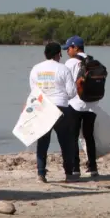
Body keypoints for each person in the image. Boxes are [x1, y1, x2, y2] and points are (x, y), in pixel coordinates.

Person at [29, 42, 78, 183]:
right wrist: (62, 98)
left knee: (43, 142)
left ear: (45, 54)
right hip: (61, 107)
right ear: (58, 54)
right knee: (66, 142)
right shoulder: (63, 69)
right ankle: (68, 173)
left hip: (43, 106)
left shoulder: (35, 69)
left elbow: (34, 91)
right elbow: (72, 92)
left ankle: (41, 173)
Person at [63, 35, 100, 178]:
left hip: (75, 104)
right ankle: (93, 168)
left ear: (76, 48)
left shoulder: (70, 63)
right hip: (92, 104)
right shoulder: (93, 60)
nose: (67, 51)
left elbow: (67, 84)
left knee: (73, 137)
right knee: (89, 136)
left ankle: (75, 168)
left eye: (69, 48)